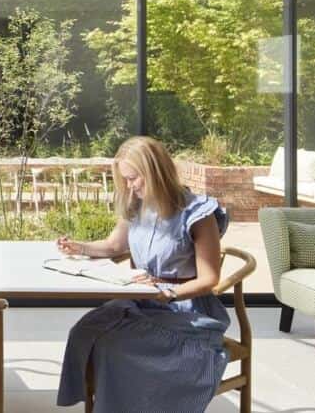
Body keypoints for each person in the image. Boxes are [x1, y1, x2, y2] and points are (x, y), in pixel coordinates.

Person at [54, 136, 230, 411]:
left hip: (185, 310)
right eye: (124, 179)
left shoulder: (197, 213)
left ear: (155, 173)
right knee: (83, 331)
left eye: (133, 178)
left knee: (117, 349)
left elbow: (210, 279)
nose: (129, 186)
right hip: (141, 301)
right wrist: (80, 246)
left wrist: (168, 293)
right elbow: (114, 245)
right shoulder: (138, 206)